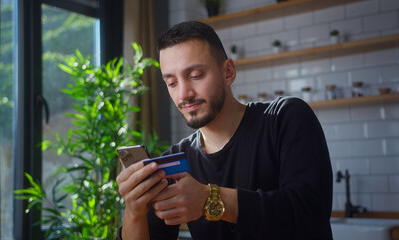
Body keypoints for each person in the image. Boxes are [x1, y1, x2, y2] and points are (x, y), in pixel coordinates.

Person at [116, 21, 333, 240]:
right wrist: (135, 211)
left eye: (195, 75)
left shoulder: (285, 118)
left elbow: (310, 216)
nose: (184, 94)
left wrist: (209, 199)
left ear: (228, 72)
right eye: (172, 82)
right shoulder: (175, 162)